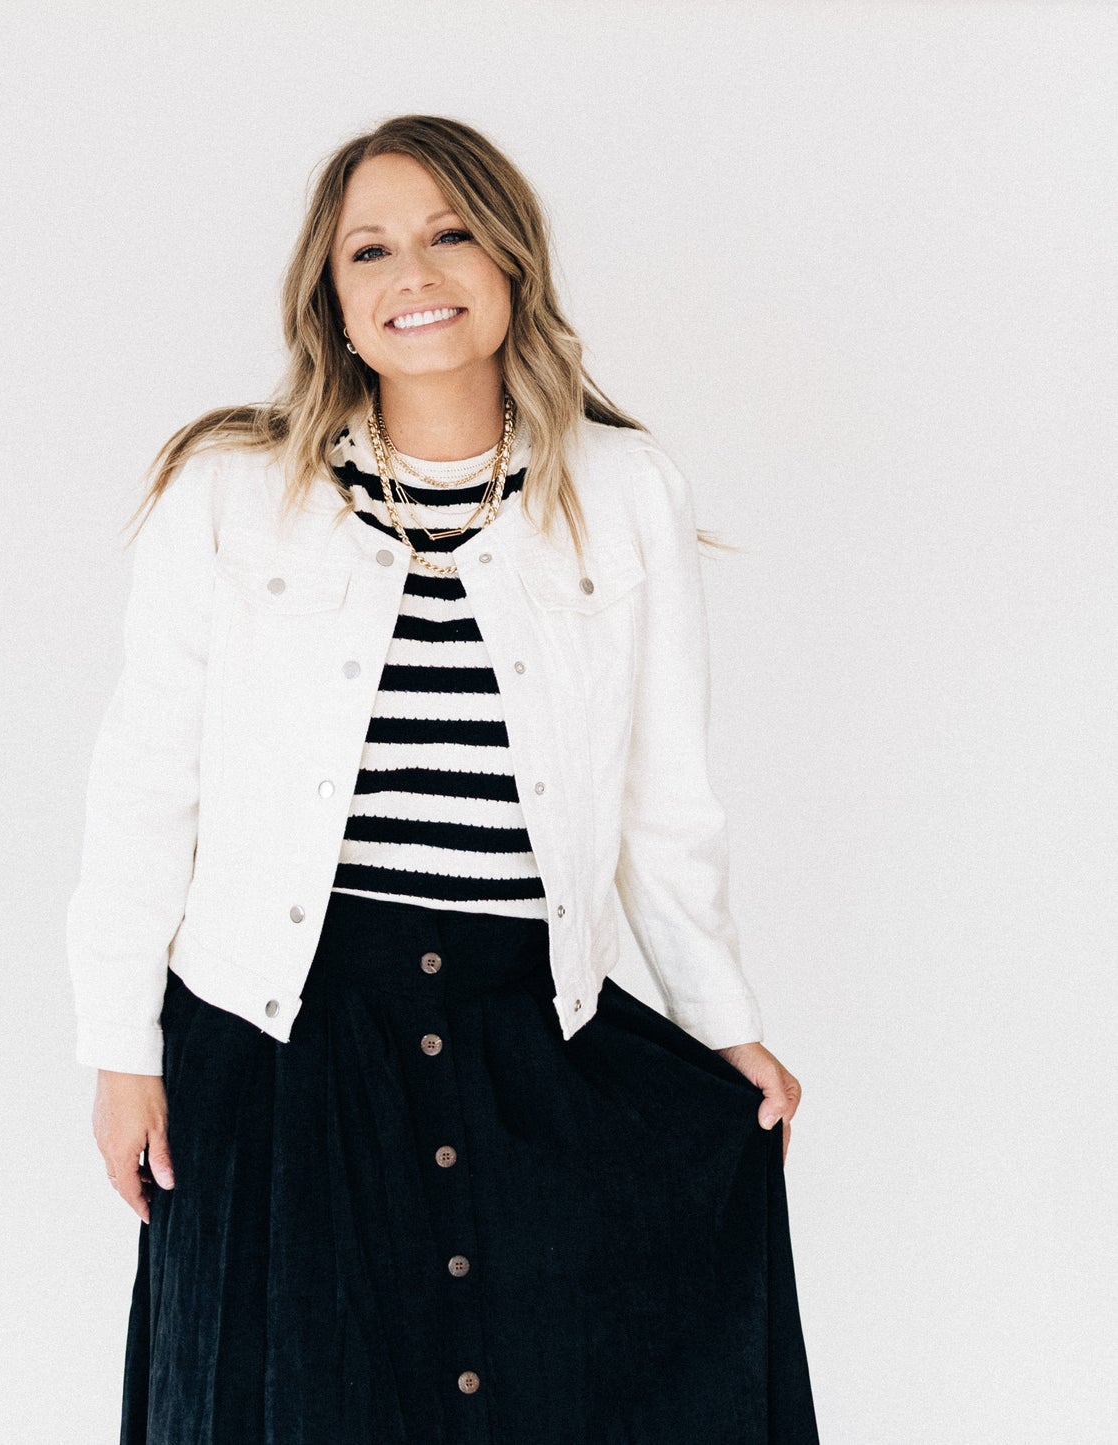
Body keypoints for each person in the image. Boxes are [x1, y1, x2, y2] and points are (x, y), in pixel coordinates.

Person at [66, 113, 820, 1444]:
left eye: (448, 234)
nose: (412, 274)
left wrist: (718, 1023)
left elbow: (665, 805)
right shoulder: (231, 493)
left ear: (511, 261)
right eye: (370, 251)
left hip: (524, 1031)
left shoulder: (625, 490)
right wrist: (121, 1051)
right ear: (332, 299)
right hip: (276, 1038)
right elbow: (143, 788)